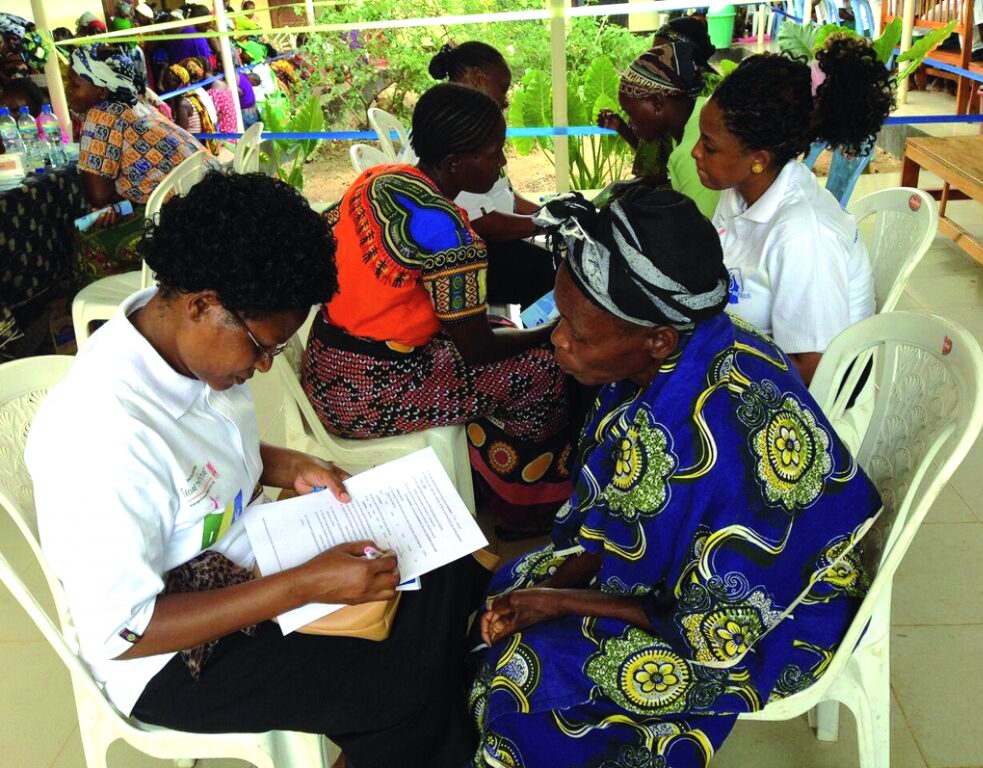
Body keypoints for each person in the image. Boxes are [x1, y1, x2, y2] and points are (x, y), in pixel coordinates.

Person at [26, 171, 490, 768]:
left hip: (247, 558)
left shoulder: (196, 354)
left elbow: (197, 459)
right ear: (201, 306)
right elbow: (127, 630)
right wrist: (305, 585)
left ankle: (457, 724)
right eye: (263, 347)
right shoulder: (99, 436)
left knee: (442, 575)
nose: (268, 367)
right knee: (396, 694)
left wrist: (285, 463)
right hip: (171, 653)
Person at [468, 186, 883, 768]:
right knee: (513, 582)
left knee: (530, 669)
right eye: (560, 316)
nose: (558, 337)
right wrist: (560, 582)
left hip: (778, 621)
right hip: (685, 592)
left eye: (577, 332)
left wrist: (560, 602)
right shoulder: (673, 352)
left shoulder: (721, 429)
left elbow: (712, 626)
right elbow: (620, 513)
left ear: (656, 340)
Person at [303, 83, 576, 539]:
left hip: (328, 366)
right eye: (494, 153)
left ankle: (488, 467)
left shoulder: (378, 180)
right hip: (374, 393)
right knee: (545, 371)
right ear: (454, 164)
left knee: (502, 325)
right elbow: (478, 350)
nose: (504, 162)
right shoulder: (452, 237)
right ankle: (519, 509)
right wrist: (550, 331)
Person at [692, 39, 894, 384]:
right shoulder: (742, 190)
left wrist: (701, 372)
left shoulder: (803, 235)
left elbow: (810, 370)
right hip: (740, 363)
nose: (696, 152)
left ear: (759, 160)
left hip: (802, 408)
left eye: (709, 147)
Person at [67, 43, 208, 283]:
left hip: (187, 220)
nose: (69, 91)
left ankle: (115, 313)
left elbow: (98, 197)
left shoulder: (101, 114)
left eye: (75, 85)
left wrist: (116, 205)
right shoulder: (140, 106)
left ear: (102, 91)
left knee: (88, 240)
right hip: (207, 202)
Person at [426, 41, 554, 307]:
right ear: (477, 79)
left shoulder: (473, 125)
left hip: (480, 242)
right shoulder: (455, 131)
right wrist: (546, 223)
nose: (506, 101)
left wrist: (546, 213)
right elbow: (479, 223)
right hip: (467, 251)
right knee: (544, 270)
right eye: (503, 88)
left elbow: (502, 193)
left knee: (549, 263)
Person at [598, 17, 720, 213]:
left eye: (662, 55)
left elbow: (698, 228)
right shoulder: (683, 112)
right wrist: (621, 128)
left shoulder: (696, 146)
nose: (655, 62)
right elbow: (653, 161)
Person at [162, 63, 220, 154]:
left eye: (167, 83)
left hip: (193, 149)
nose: (164, 86)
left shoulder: (182, 103)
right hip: (196, 145)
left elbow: (180, 134)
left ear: (180, 82)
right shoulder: (191, 96)